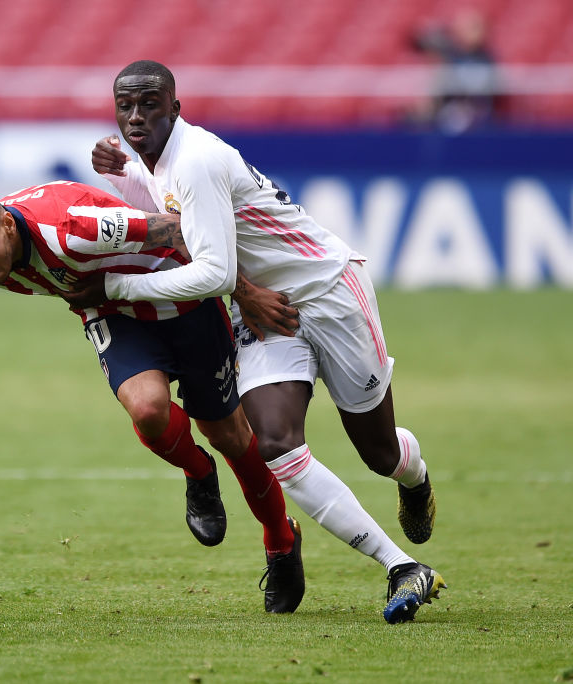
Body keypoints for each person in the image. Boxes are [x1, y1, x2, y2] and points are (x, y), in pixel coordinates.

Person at [63, 60, 446, 623]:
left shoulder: (194, 161)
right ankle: (399, 565)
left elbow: (214, 272)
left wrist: (119, 285)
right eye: (126, 106)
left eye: (149, 104)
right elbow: (174, 219)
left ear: (176, 106)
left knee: (379, 452)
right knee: (274, 442)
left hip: (327, 290)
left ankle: (414, 478)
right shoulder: (161, 165)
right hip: (266, 312)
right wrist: (124, 176)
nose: (136, 116)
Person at [0, 178, 304, 613]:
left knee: (230, 437)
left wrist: (246, 292)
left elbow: (182, 231)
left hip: (183, 298)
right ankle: (198, 473)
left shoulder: (77, 228)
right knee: (147, 409)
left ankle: (281, 540)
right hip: (110, 309)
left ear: (7, 228)